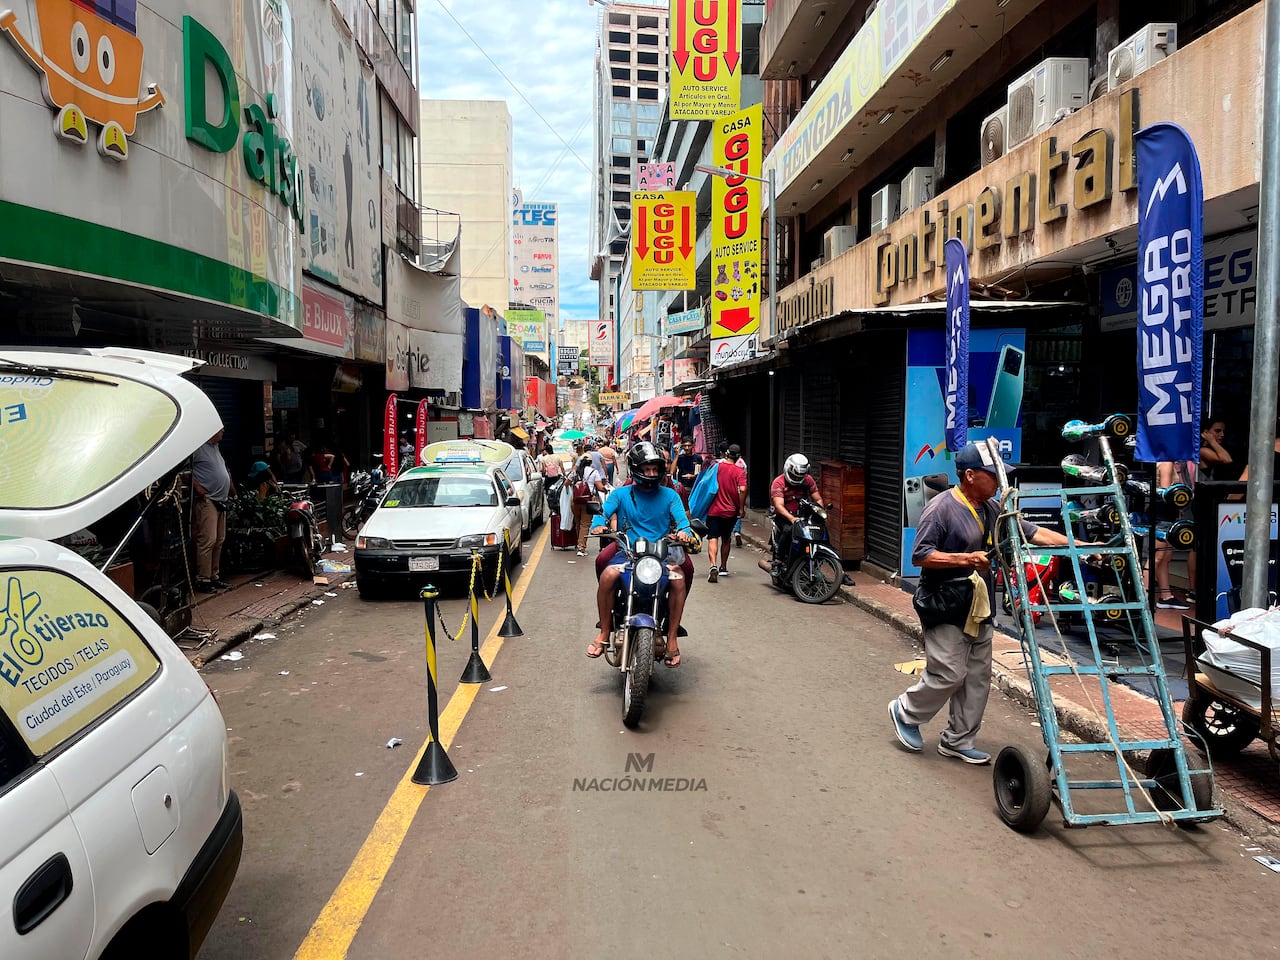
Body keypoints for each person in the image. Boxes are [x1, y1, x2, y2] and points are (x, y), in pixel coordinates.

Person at [888, 442, 1074, 764]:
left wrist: (1080, 545)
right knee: (949, 673)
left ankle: (958, 740)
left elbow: (1033, 532)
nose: (1000, 481)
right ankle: (905, 711)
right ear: (970, 475)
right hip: (945, 603)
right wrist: (965, 559)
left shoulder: (992, 507)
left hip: (980, 605)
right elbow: (921, 555)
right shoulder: (941, 508)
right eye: (993, 475)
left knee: (977, 677)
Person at [588, 442, 695, 668]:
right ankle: (605, 631)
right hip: (627, 553)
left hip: (660, 556)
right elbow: (602, 514)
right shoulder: (620, 494)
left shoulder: (670, 495)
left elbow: (682, 521)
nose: (652, 473)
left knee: (680, 578)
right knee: (607, 574)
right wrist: (598, 525)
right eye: (647, 469)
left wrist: (684, 532)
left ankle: (672, 637)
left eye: (655, 469)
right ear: (636, 469)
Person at [191, 429, 235, 593]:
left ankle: (214, 576)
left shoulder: (216, 448)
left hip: (221, 500)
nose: (223, 432)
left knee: (219, 539)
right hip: (207, 499)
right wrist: (197, 486)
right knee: (208, 539)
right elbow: (185, 472)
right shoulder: (198, 448)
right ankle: (203, 579)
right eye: (220, 430)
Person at [767, 454, 825, 567]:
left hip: (804, 516)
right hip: (784, 517)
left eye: (800, 477)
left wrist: (820, 512)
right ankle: (778, 560)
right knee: (788, 530)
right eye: (795, 476)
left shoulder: (808, 480)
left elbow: (818, 499)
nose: (797, 479)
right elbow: (779, 505)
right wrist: (792, 518)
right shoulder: (779, 482)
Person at [1154, 459, 1197, 609]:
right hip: (1164, 516)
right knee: (1158, 557)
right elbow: (1167, 494)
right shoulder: (1166, 463)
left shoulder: (1164, 462)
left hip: (1165, 515)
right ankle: (1143, 597)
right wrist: (1177, 508)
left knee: (1165, 557)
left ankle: (1166, 596)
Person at [705, 445, 747, 582]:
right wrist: (741, 508)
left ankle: (713, 565)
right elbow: (743, 489)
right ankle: (723, 567)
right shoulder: (739, 471)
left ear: (726, 454)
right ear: (738, 457)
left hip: (714, 510)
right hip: (730, 511)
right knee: (726, 539)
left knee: (713, 538)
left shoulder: (716, 467)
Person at [571, 455, 607, 556]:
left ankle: (579, 543)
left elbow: (567, 483)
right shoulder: (593, 472)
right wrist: (605, 489)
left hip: (575, 500)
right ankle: (581, 547)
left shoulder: (575, 472)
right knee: (585, 524)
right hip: (587, 500)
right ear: (591, 463)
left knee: (578, 522)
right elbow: (600, 487)